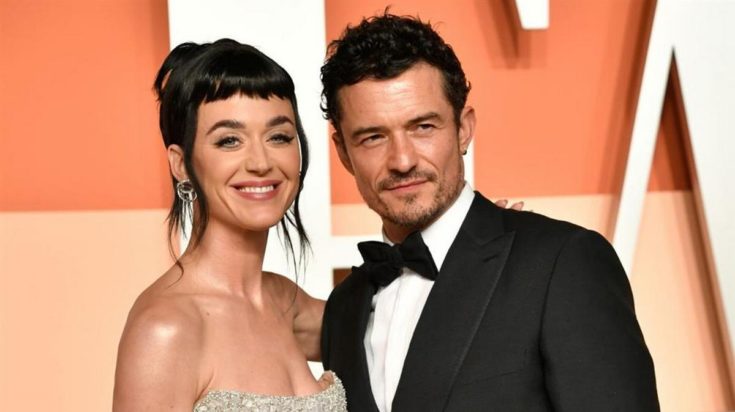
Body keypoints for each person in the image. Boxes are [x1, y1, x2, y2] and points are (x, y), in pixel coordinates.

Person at [319, 13, 659, 411]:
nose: (402, 160)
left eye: (423, 127)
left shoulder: (560, 263)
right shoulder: (344, 308)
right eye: (373, 137)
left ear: (463, 129)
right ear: (344, 152)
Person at [113, 39, 346, 411]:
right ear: (181, 164)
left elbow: (403, 324)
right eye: (229, 141)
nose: (260, 162)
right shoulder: (165, 329)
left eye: (279, 137)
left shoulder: (287, 304)